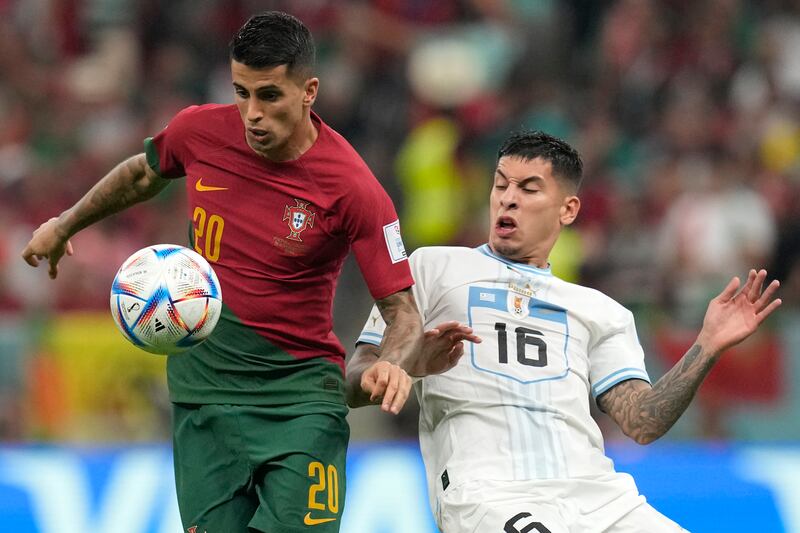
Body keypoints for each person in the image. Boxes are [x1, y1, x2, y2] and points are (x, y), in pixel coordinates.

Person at [20, 11, 436, 533]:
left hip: (299, 404)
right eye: (241, 92)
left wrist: (394, 362)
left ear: (309, 91)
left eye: (268, 96)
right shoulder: (200, 131)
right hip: (203, 400)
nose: (252, 114)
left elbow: (402, 311)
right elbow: (143, 173)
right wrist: (65, 223)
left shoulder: (353, 188)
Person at [348, 131, 782, 533]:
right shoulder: (432, 269)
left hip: (603, 500)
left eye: (528, 189)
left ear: (568, 209)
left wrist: (706, 345)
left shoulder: (601, 312)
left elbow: (642, 422)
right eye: (501, 185)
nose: (508, 200)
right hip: (491, 494)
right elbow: (354, 378)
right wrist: (402, 364)